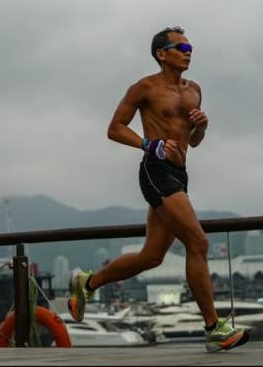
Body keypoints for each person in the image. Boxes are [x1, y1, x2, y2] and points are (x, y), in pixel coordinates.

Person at [67, 26, 249, 353]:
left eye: (190, 46)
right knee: (198, 241)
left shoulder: (194, 91)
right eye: (181, 47)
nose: (188, 51)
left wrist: (202, 127)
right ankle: (213, 329)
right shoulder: (145, 88)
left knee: (152, 257)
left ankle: (87, 283)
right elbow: (114, 129)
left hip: (179, 172)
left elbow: (193, 141)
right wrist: (149, 146)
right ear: (161, 53)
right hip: (155, 171)